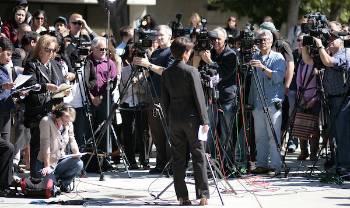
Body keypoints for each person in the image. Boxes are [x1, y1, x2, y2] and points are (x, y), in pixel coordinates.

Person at [161, 37, 209, 206]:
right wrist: (205, 120)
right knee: (198, 156)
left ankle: (182, 197)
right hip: (192, 120)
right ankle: (203, 195)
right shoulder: (191, 71)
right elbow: (199, 98)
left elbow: (164, 101)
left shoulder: (166, 72)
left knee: (178, 158)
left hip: (174, 120)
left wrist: (169, 120)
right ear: (185, 53)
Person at [302, 26, 350, 176]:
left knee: (343, 134)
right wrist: (305, 45)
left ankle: (345, 166)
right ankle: (337, 164)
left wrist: (320, 45)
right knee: (333, 135)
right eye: (327, 39)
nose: (328, 41)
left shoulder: (346, 53)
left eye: (331, 39)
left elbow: (329, 62)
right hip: (330, 100)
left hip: (343, 100)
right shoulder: (327, 53)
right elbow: (308, 61)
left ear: (340, 41)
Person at [133, 25, 174, 174]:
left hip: (167, 96)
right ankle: (160, 163)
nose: (158, 37)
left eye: (162, 35)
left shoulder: (172, 52)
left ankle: (170, 164)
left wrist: (148, 64)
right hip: (153, 95)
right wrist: (139, 76)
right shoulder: (156, 52)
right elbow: (151, 72)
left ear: (170, 36)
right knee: (156, 132)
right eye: (157, 34)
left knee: (167, 130)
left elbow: (167, 72)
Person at [198, 27, 238, 171]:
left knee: (226, 134)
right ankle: (211, 164)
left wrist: (209, 61)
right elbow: (201, 73)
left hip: (227, 98)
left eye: (218, 39)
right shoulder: (210, 52)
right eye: (213, 39)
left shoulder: (231, 55)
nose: (215, 42)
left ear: (225, 40)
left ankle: (228, 165)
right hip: (211, 98)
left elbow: (222, 75)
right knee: (209, 132)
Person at [249, 29, 286, 176]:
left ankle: (276, 166)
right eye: (261, 39)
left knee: (273, 136)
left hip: (272, 102)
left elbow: (278, 77)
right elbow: (252, 82)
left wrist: (263, 67)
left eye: (266, 39)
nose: (263, 42)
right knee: (260, 136)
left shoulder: (278, 58)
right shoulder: (254, 56)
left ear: (271, 42)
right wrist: (250, 101)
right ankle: (261, 164)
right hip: (257, 103)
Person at [23, 34, 60, 178]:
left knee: (54, 144)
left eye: (53, 50)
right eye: (48, 49)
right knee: (38, 144)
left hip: (54, 110)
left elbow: (61, 83)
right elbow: (30, 85)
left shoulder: (55, 65)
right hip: (37, 111)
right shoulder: (31, 64)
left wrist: (64, 89)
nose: (51, 53)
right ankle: (36, 176)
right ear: (39, 50)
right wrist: (45, 86)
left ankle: (52, 176)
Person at [37, 105, 83, 192]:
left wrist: (77, 153)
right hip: (45, 163)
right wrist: (46, 166)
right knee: (49, 187)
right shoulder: (46, 121)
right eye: (64, 120)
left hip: (60, 160)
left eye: (68, 121)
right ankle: (53, 180)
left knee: (79, 163)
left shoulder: (68, 123)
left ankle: (64, 184)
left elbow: (72, 140)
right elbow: (45, 144)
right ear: (57, 115)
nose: (67, 123)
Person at [0, 37, 15, 196]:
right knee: (6, 147)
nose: (10, 58)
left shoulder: (5, 69)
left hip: (5, 111)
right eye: (8, 54)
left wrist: (16, 92)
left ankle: (5, 185)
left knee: (6, 148)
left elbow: (7, 90)